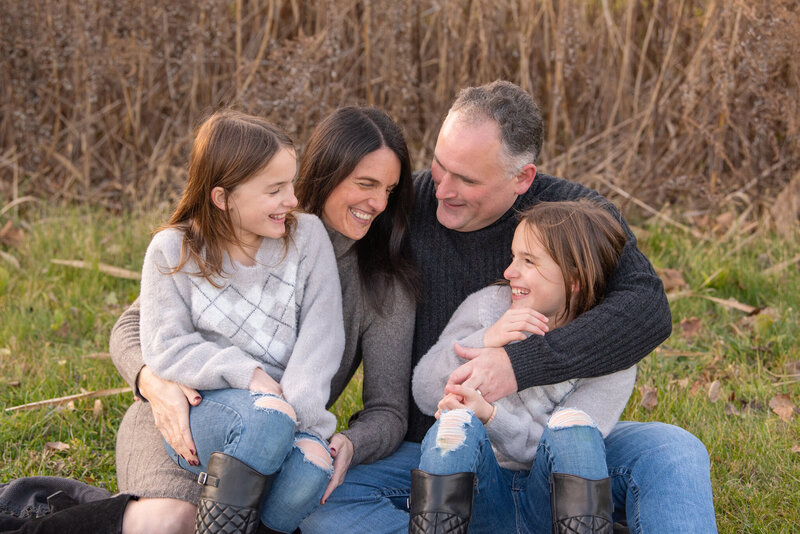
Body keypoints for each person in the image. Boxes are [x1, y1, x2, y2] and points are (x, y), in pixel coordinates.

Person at [299, 80, 716, 534]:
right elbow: (320, 232)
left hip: (560, 454)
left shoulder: (570, 221)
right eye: (440, 167)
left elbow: (646, 309)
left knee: (673, 451)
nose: (442, 190)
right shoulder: (400, 206)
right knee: (322, 505)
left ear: (523, 178)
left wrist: (517, 365)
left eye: (468, 180)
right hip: (442, 451)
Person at [108, 106, 418, 533]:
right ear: (327, 173)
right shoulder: (241, 225)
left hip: (280, 439)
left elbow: (387, 411)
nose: (379, 203)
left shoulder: (381, 286)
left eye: (390, 189)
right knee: (170, 522)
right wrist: (154, 384)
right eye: (365, 184)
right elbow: (134, 327)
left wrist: (350, 443)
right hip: (182, 420)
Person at [135, 109, 345, 533]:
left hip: (288, 410)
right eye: (275, 190)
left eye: (291, 183)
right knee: (265, 418)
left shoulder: (307, 238)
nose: (293, 199)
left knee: (312, 468)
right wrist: (246, 373)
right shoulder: (172, 251)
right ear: (222, 197)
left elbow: (322, 337)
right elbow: (166, 345)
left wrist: (305, 424)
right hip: (209, 409)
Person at [410, 199, 635, 533]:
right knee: (455, 425)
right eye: (514, 256)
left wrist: (491, 416)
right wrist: (487, 338)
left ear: (574, 278)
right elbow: (425, 389)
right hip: (480, 493)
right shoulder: (490, 306)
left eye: (528, 261)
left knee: (574, 430)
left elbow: (560, 450)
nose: (508, 271)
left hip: (549, 499)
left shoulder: (609, 352)